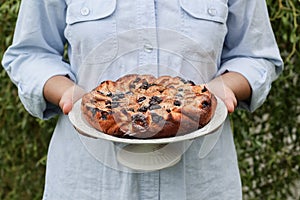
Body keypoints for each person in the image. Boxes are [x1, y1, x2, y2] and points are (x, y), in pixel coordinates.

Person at [2, 0, 283, 199]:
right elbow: (30, 54)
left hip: (200, 184)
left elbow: (256, 55)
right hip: (89, 183)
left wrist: (222, 88)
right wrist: (66, 92)